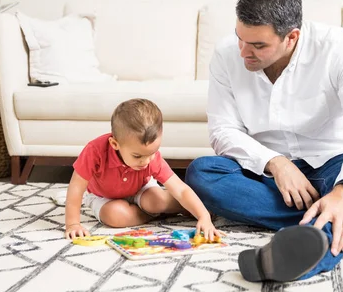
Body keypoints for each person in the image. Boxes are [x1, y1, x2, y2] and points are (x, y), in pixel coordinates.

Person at [185, 0, 343, 282]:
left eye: (258, 45)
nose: (244, 52)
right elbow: (223, 130)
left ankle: (292, 256)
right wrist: (276, 163)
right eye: (240, 38)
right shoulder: (227, 53)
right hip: (267, 177)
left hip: (330, 166)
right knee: (202, 174)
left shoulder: (342, 48)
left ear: (291, 37)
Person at [63, 98, 223, 241]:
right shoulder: (94, 151)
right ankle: (153, 215)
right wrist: (73, 224)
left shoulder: (150, 158)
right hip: (102, 196)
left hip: (141, 189)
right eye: (137, 156)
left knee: (157, 201)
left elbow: (180, 189)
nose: (146, 161)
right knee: (114, 216)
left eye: (152, 153)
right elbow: (76, 187)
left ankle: (182, 208)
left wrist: (203, 216)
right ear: (115, 144)